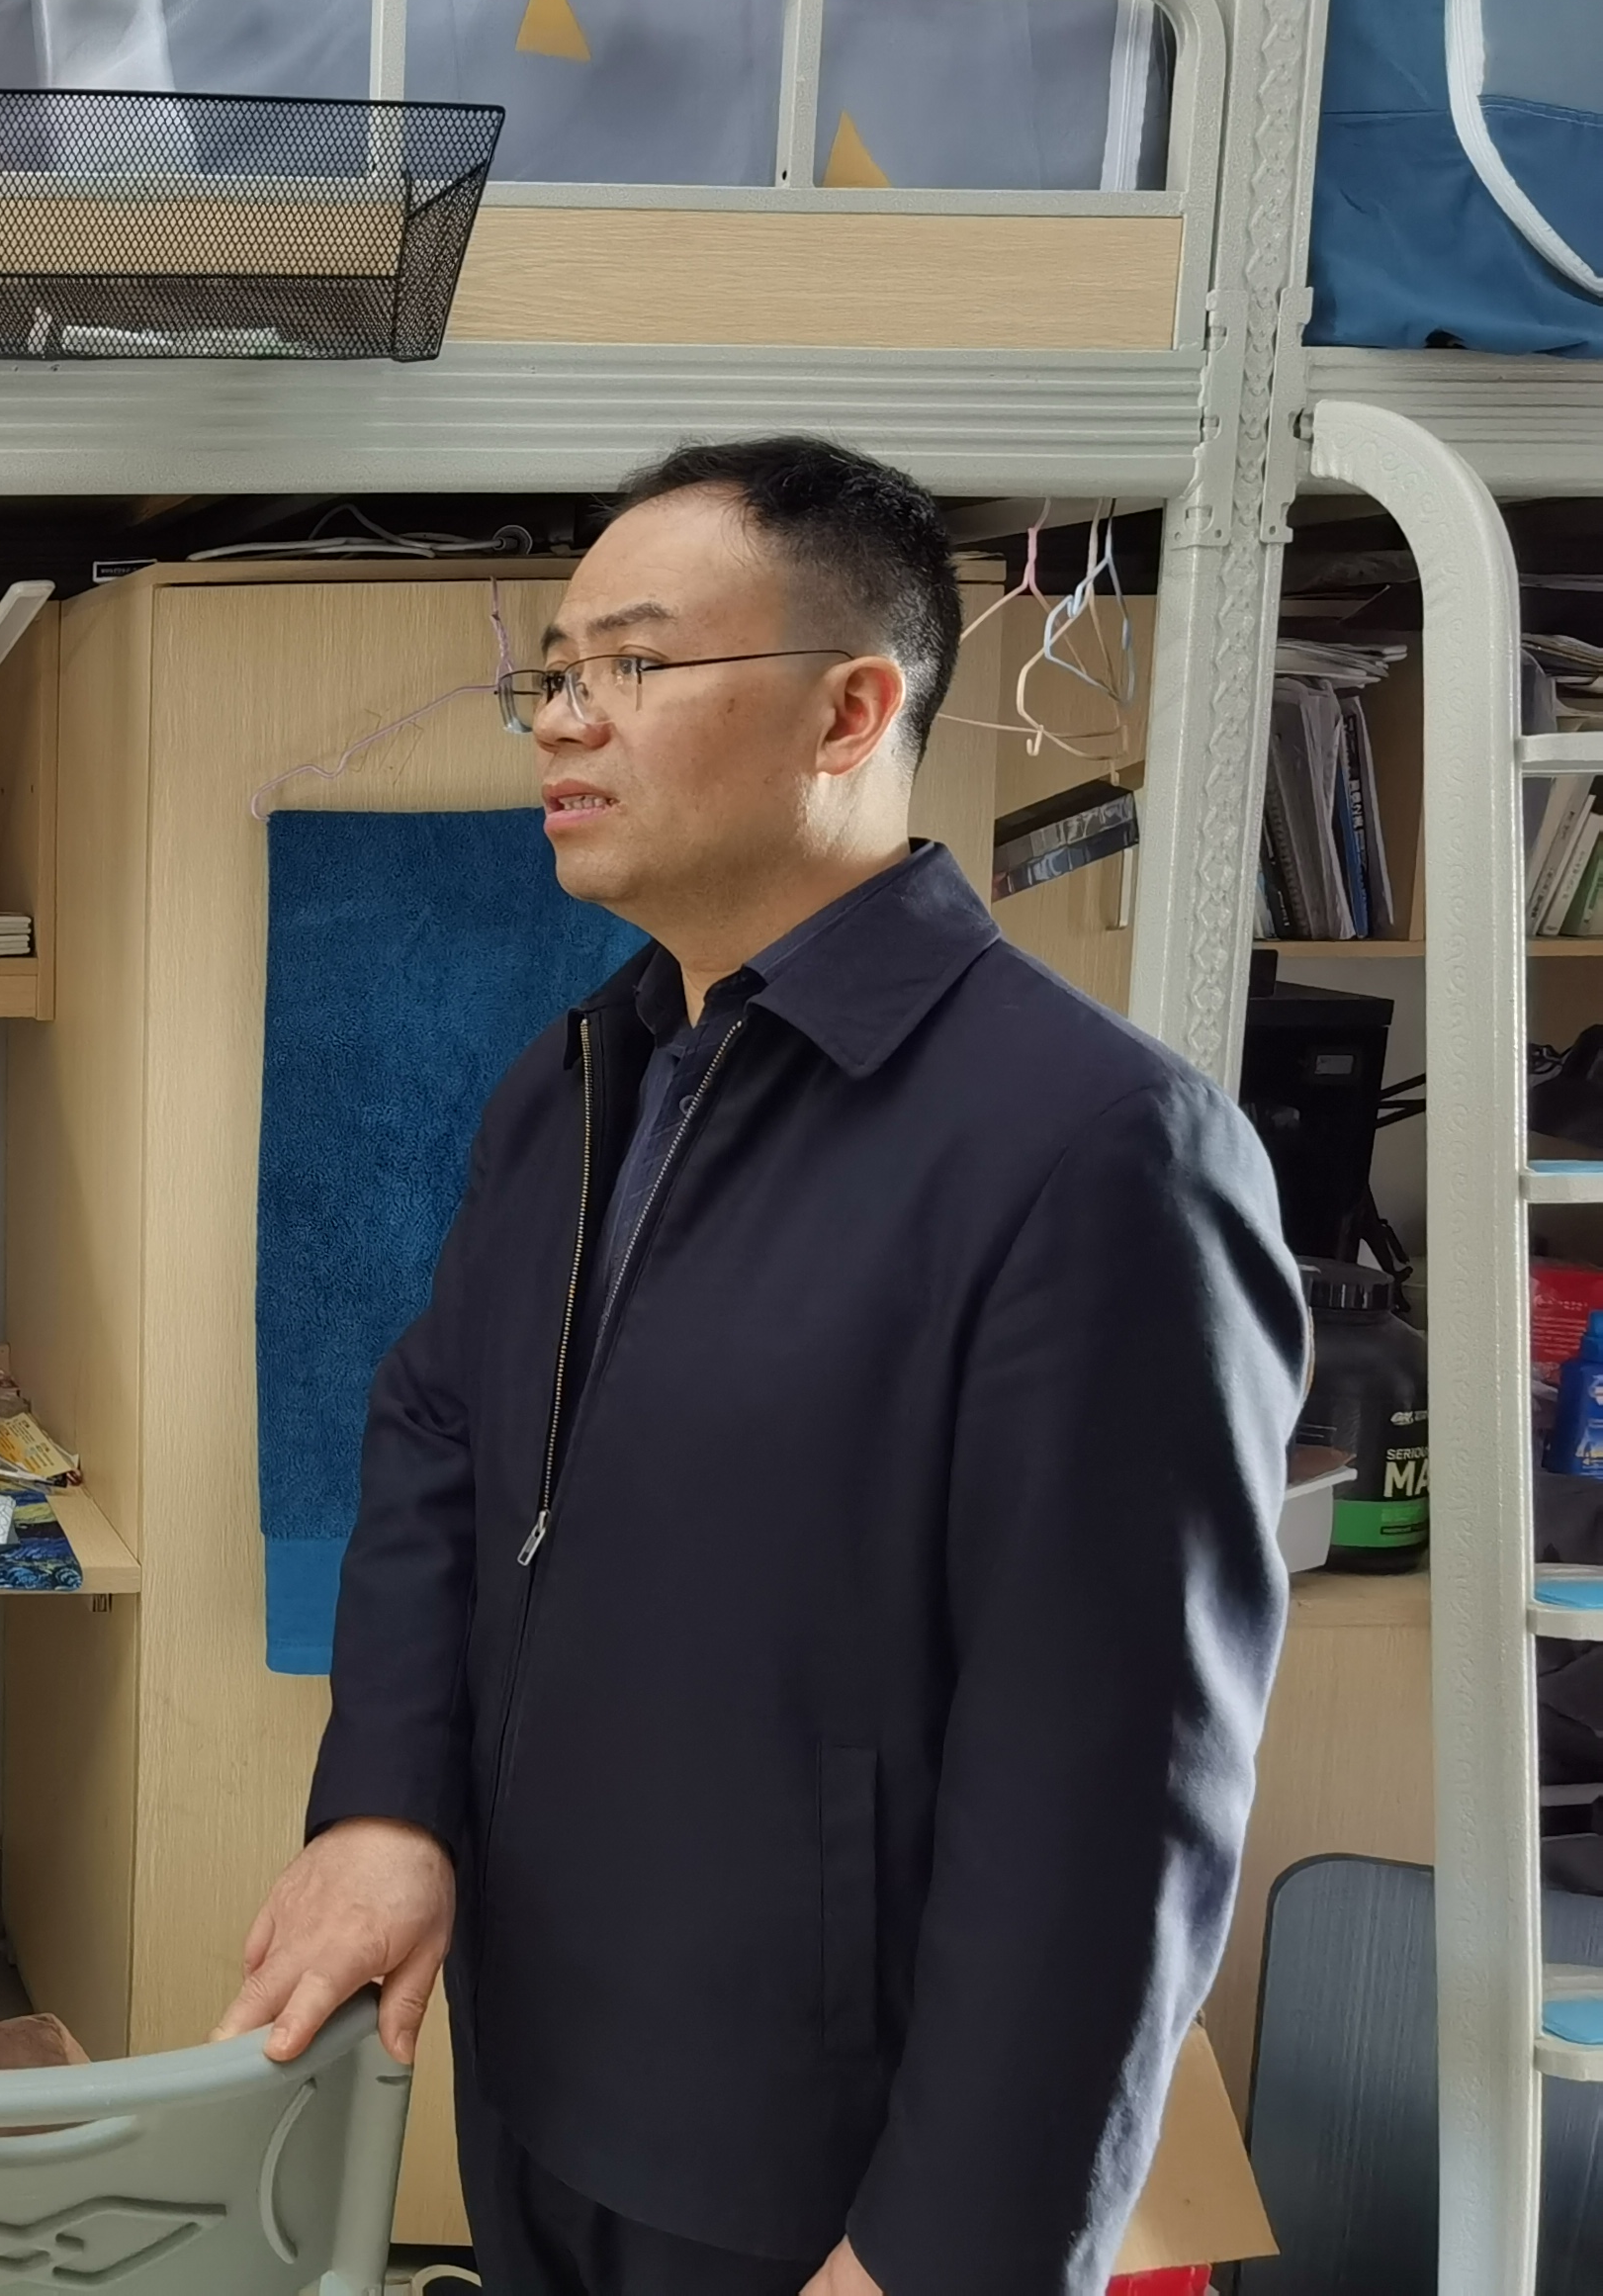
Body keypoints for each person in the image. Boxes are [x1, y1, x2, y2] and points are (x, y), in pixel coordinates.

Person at [216, 439, 1300, 2296]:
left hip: (819, 2169)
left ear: (850, 711)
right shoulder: (585, 1076)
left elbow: (1113, 1803)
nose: (563, 719)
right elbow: (440, 1428)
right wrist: (390, 1803)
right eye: (554, 672)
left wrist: (946, 2254)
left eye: (633, 665)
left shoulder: (1094, 1148)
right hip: (540, 2076)